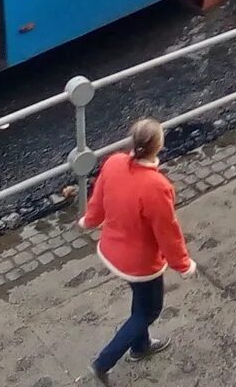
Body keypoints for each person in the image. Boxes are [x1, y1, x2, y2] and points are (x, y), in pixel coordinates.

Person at [79, 118, 194, 383]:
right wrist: (183, 264)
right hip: (141, 264)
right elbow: (168, 233)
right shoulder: (157, 187)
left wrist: (89, 220)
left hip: (113, 251)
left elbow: (99, 198)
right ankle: (104, 362)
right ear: (159, 146)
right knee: (150, 310)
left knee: (140, 304)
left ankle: (140, 346)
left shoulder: (114, 163)